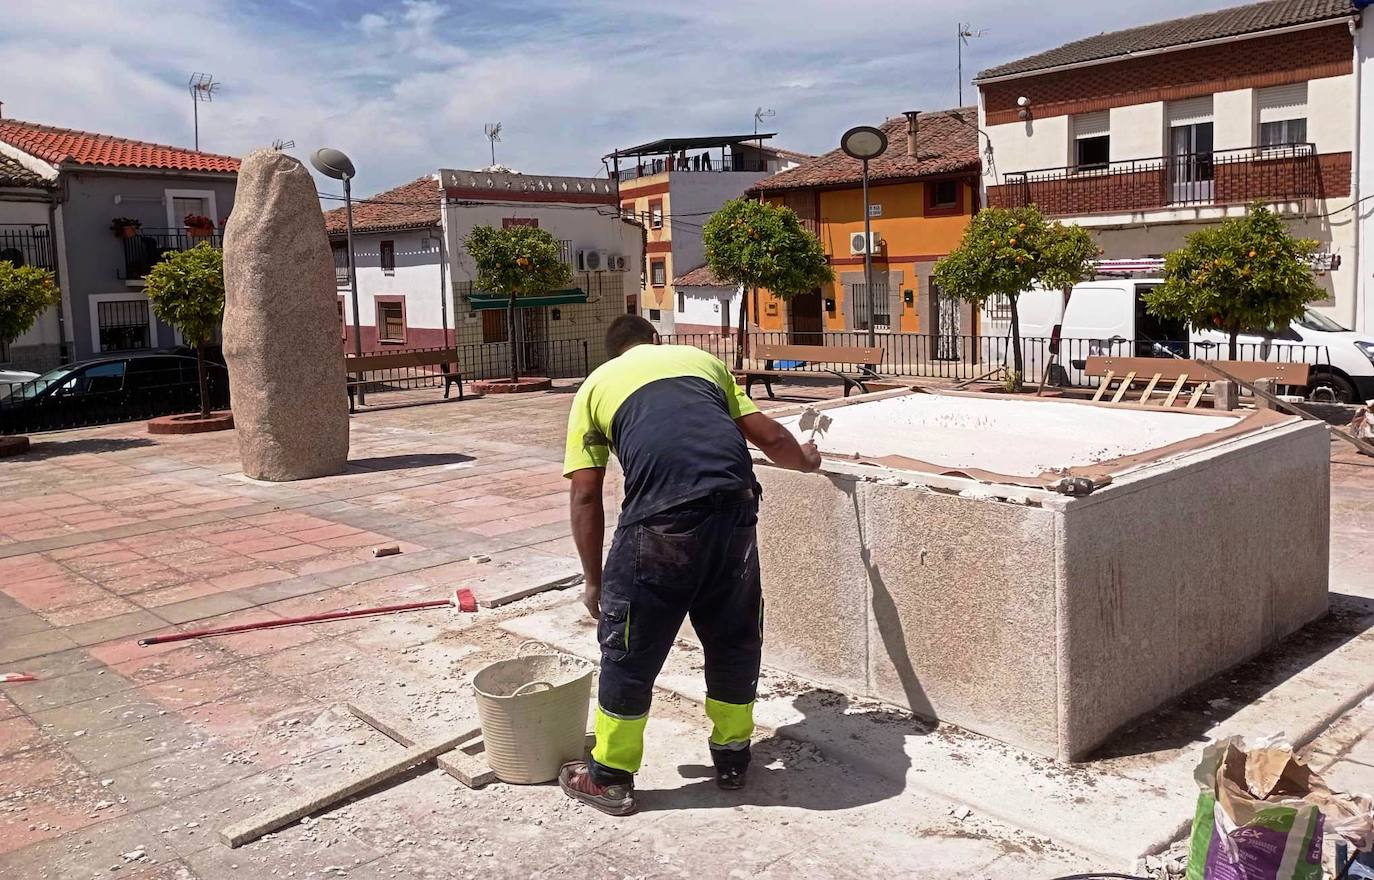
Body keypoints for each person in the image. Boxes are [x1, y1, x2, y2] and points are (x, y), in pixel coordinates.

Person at [559, 315, 821, 815]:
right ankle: (732, 758)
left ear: (615, 353)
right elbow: (771, 439)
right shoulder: (702, 363)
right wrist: (807, 461)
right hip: (736, 510)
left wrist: (594, 581)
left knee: (629, 647)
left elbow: (586, 494)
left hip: (661, 524)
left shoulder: (596, 386)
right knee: (733, 638)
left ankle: (609, 776)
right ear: (655, 341)